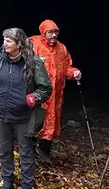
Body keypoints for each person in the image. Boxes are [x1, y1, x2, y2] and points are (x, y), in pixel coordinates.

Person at [0, 28, 51, 189]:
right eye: (4, 39)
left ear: (19, 43)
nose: (4, 43)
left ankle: (27, 186)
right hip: (2, 113)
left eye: (8, 40)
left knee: (26, 151)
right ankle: (7, 181)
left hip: (23, 115)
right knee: (5, 150)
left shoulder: (33, 62)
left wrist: (33, 98)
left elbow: (46, 88)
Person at [28, 19, 82, 160]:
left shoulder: (62, 49)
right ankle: (30, 149)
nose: (53, 35)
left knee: (52, 121)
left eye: (56, 32)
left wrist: (74, 72)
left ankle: (44, 151)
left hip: (55, 94)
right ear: (43, 32)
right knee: (35, 119)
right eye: (50, 32)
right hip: (38, 93)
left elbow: (66, 68)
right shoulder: (33, 45)